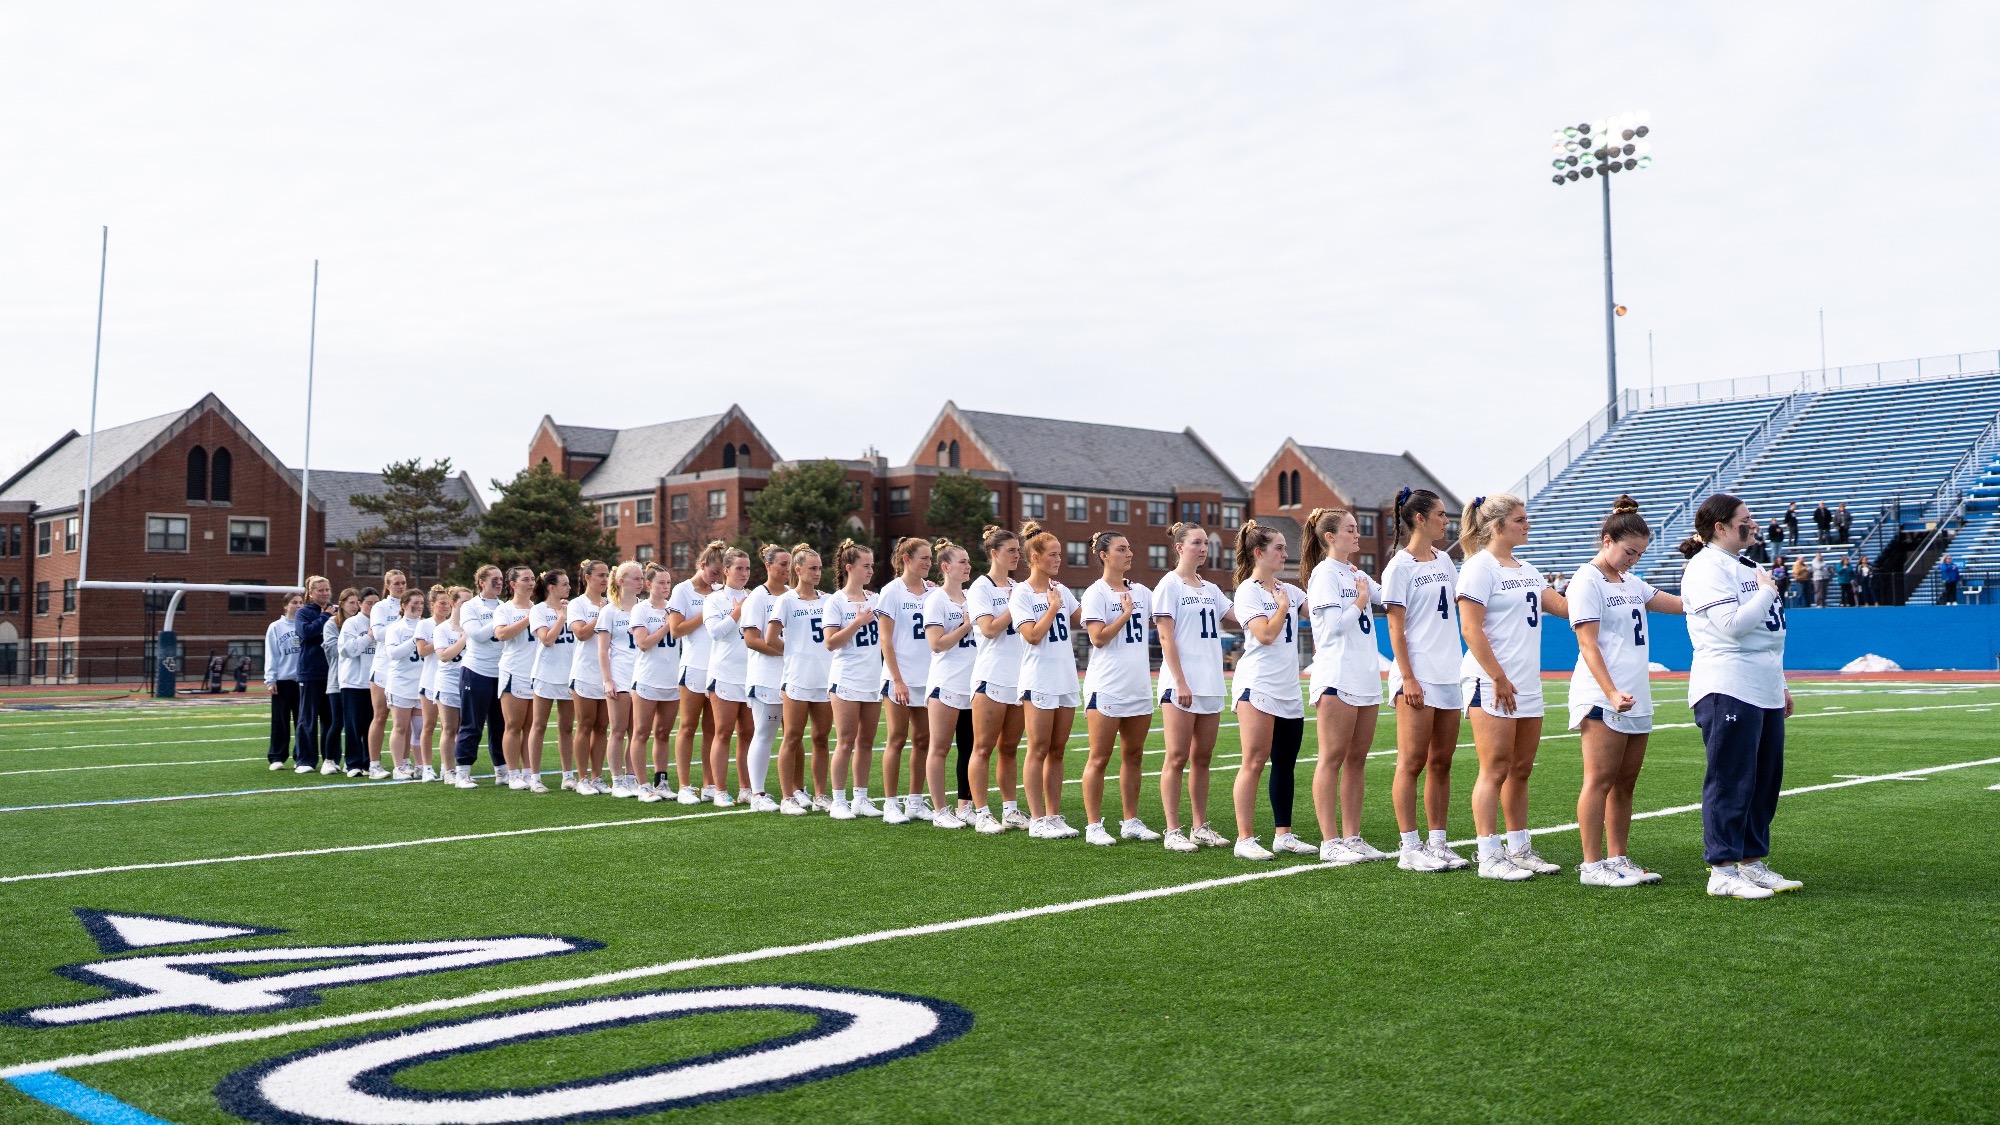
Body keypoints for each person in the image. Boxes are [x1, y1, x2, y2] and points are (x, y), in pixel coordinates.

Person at [1680, 493, 1801, 900]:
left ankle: (1752, 862)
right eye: (1745, 520)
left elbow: (1771, 635)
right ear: (1721, 527)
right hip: (1727, 682)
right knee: (1731, 778)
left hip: (1761, 682)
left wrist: (1780, 682)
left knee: (1765, 779)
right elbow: (1731, 625)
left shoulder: (1748, 565)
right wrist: (1767, 592)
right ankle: (1722, 868)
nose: (1753, 525)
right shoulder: (1705, 567)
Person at [1568, 497, 1685, 887]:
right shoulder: (1587, 579)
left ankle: (1618, 856)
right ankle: (1591, 864)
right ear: (1607, 541)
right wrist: (1611, 691)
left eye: (1639, 554)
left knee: (1626, 783)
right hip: (1603, 693)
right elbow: (1588, 644)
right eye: (1628, 551)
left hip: (1635, 693)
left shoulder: (1631, 582)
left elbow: (1678, 605)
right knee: (1599, 779)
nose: (1632, 559)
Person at [1458, 495, 1569, 880]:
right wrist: (1498, 677)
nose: (1527, 525)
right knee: (1495, 769)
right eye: (1520, 520)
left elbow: (1563, 606)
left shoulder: (1527, 568)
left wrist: (1604, 585)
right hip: (1492, 681)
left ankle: (1519, 847)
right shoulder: (1478, 568)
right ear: (1497, 526)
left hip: (1525, 683)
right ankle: (1489, 854)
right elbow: (1470, 629)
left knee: (1521, 769)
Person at [1383, 487, 1469, 872]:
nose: (1446, 522)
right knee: (1412, 761)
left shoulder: (1444, 562)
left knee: (1442, 762)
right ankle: (1409, 847)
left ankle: (1438, 842)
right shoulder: (1398, 567)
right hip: (1417, 676)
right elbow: (1396, 630)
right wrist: (1408, 678)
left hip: (1449, 673)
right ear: (1419, 518)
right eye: (1440, 515)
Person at [1301, 508, 1389, 865]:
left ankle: (1353, 836)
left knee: (1357, 759)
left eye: (1357, 529)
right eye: (1350, 530)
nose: (1358, 535)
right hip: (1337, 675)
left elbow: (1394, 597)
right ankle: (1330, 840)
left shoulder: (1356, 572)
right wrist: (1360, 601)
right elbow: (1332, 627)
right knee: (1332, 757)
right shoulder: (1323, 575)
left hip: (1365, 674)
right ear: (1330, 536)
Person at [1229, 521, 1312, 861]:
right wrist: (1280, 608)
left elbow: (1318, 609)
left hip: (1288, 686)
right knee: (1254, 761)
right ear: (1259, 553)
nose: (1285, 553)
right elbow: (1264, 635)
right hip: (1258, 684)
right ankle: (1244, 838)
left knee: (1286, 763)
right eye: (1279, 548)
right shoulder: (1248, 591)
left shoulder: (1289, 590)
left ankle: (1284, 834)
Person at [1152, 523, 1236, 853]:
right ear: (1179, 547)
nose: (1203, 548)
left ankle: (1200, 826)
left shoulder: (1210, 588)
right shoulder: (1168, 586)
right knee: (1176, 756)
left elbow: (1238, 616)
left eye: (1205, 543)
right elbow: (1165, 636)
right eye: (1196, 543)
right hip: (1181, 685)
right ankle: (1173, 829)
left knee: (1202, 758)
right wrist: (1181, 681)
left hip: (1210, 682)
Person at [1080, 530, 1160, 846]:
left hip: (1138, 685)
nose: (1129, 554)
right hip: (1107, 685)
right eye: (1121, 549)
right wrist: (1126, 614)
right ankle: (1093, 825)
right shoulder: (1095, 593)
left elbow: (1166, 618)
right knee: (1099, 758)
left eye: (1129, 549)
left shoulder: (1142, 591)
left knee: (1134, 755)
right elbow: (1098, 638)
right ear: (1103, 555)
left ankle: (1131, 821)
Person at [1010, 521, 1084, 840]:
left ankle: (1054, 815)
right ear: (1035, 557)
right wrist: (1053, 608)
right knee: (1037, 748)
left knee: (1057, 749)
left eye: (1060, 554)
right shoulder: (1021, 593)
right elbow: (1032, 636)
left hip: (1066, 677)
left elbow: (1085, 620)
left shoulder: (1062, 590)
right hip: (1038, 678)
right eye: (1052, 554)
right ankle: (1037, 819)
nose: (1058, 559)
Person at [967, 525, 1029, 834]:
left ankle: (1011, 809)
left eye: (1018, 550)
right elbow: (989, 629)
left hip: (1018, 677)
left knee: (1010, 748)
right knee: (983, 747)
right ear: (994, 554)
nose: (1017, 555)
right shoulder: (981, 586)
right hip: (991, 676)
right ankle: (980, 812)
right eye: (1011, 551)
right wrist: (1014, 604)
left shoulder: (1019, 586)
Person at [875, 538, 935, 824]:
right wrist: (897, 680)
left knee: (923, 739)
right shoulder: (891, 592)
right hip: (900, 677)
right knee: (896, 739)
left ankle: (915, 800)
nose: (929, 562)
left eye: (931, 558)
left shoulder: (932, 591)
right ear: (906, 559)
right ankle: (890, 803)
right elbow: (885, 639)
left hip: (927, 676)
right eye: (924, 557)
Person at [922, 539, 981, 829]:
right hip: (945, 683)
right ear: (945, 567)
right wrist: (967, 625)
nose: (968, 566)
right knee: (940, 747)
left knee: (969, 748)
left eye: (969, 561)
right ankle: (939, 810)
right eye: (962, 562)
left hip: (971, 685)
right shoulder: (936, 600)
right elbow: (937, 644)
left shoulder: (972, 597)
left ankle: (965, 806)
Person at [823, 540, 883, 819]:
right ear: (849, 568)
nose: (871, 570)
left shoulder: (876, 599)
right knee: (845, 740)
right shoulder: (835, 601)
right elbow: (831, 643)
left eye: (872, 565)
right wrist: (857, 623)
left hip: (872, 678)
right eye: (866, 565)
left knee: (867, 741)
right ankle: (838, 800)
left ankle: (861, 797)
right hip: (846, 677)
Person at [773, 546, 834, 815]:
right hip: (797, 678)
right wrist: (795, 651)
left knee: (821, 738)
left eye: (820, 568)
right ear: (798, 570)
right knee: (792, 736)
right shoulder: (786, 600)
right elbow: (769, 638)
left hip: (825, 678)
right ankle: (788, 797)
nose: (818, 572)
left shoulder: (829, 600)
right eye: (812, 568)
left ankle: (821, 794)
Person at [667, 543, 726, 803]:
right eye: (714, 573)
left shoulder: (720, 591)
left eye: (720, 575)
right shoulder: (682, 591)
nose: (717, 579)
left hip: (717, 669)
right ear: (702, 565)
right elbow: (676, 630)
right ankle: (684, 785)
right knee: (688, 727)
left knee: (713, 730)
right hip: (693, 666)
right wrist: (706, 613)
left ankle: (709, 783)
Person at [740, 545, 792, 813]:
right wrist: (788, 650)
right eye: (782, 564)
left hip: (793, 676)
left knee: (793, 736)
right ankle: (757, 793)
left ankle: (794, 791)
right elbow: (752, 640)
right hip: (766, 677)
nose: (787, 569)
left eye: (790, 564)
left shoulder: (794, 596)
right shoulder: (758, 597)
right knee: (764, 733)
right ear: (768, 566)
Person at [702, 547, 756, 807]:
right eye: (739, 568)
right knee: (722, 732)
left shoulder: (754, 596)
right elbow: (715, 632)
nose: (744, 573)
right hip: (723, 674)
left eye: (747, 568)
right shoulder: (714, 599)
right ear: (725, 571)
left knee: (748, 733)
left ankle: (747, 787)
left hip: (750, 675)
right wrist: (737, 612)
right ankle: (721, 790)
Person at [450, 566, 507, 790]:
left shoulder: (505, 606)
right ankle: (462, 771)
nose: (499, 582)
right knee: (472, 724)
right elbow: (478, 635)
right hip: (476, 671)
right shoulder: (470, 606)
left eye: (502, 579)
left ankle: (502, 769)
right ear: (481, 582)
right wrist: (501, 620)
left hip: (502, 671)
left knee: (500, 725)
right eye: (494, 579)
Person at [630, 563, 682, 803]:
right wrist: (667, 625)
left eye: (668, 583)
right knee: (641, 732)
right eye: (661, 582)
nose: (666, 587)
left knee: (663, 732)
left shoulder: (675, 608)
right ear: (649, 585)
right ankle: (642, 785)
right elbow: (643, 643)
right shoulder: (641, 609)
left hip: (671, 679)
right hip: (648, 678)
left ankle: (661, 781)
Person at [597, 561, 645, 797]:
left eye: (642, 578)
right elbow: (603, 650)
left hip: (641, 677)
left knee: (636, 732)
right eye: (636, 578)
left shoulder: (644, 608)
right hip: (619, 676)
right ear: (621, 581)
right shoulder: (609, 611)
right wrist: (607, 680)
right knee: (617, 729)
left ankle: (631, 777)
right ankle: (617, 780)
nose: (641, 582)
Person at [492, 566, 541, 791]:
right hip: (514, 671)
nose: (530, 583)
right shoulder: (505, 609)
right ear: (513, 584)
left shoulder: (540, 607)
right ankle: (512, 774)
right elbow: (501, 634)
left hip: (537, 673)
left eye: (532, 579)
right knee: (513, 725)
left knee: (532, 726)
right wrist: (529, 619)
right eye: (525, 579)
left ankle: (529, 772)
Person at [528, 568, 575, 793]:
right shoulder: (538, 610)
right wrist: (561, 619)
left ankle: (568, 775)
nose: (569, 588)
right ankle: (535, 777)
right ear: (551, 588)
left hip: (569, 674)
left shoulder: (573, 607)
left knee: (567, 728)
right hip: (546, 674)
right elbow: (546, 639)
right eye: (565, 584)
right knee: (539, 725)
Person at [567, 559, 611, 792]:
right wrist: (602, 614)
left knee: (602, 727)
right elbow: (582, 633)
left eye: (607, 575)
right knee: (585, 725)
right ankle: (582, 778)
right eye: (600, 575)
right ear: (587, 578)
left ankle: (597, 777)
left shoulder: (611, 603)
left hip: (606, 673)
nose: (604, 580)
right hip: (584, 672)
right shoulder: (577, 604)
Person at [417, 586, 465, 783]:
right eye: (442, 603)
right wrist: (442, 642)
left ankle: (448, 765)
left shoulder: (459, 625)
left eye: (448, 603)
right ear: (433, 605)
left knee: (457, 727)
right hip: (432, 679)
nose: (445, 607)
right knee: (430, 725)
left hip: (457, 680)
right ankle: (426, 766)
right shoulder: (427, 626)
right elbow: (424, 651)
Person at [381, 590, 429, 782]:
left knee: (420, 728)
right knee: (400, 727)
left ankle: (420, 766)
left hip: (420, 684)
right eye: (414, 603)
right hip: (400, 683)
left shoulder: (426, 626)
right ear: (403, 605)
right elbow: (393, 653)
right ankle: (398, 767)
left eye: (421, 603)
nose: (418, 606)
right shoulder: (395, 628)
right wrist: (414, 640)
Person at [336, 587, 380, 779]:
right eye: (369, 603)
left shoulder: (383, 624)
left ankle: (369, 762)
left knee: (373, 724)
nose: (372, 607)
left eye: (376, 603)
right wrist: (368, 637)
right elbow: (348, 650)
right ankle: (352, 763)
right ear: (360, 604)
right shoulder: (351, 624)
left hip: (375, 682)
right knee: (354, 725)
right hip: (354, 682)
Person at [291, 577, 334, 775]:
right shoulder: (303, 612)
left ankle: (330, 758)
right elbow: (306, 633)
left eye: (327, 589)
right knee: (307, 718)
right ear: (311, 592)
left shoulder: (336, 610)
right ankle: (305, 760)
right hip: (310, 672)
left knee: (331, 719)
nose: (325, 593)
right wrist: (325, 617)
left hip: (332, 672)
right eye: (320, 590)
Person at [264, 593, 303, 771]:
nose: (298, 605)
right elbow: (272, 654)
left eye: (301, 602)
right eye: (294, 602)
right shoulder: (276, 627)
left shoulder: (304, 624)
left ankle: (301, 756)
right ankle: (277, 757)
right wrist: (270, 679)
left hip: (302, 680)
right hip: (283, 680)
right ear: (285, 606)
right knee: (280, 721)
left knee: (302, 721)